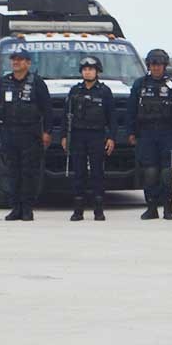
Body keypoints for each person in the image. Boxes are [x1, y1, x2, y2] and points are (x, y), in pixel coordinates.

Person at [0, 48, 53, 221]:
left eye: (20, 59)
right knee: (12, 172)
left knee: (28, 172)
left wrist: (47, 132)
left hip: (30, 134)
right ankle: (15, 208)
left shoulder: (37, 83)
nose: (15, 62)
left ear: (28, 63)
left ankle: (27, 208)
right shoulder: (4, 82)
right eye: (13, 59)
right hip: (8, 133)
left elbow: (47, 109)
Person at [127, 49, 172, 220]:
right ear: (148, 66)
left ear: (164, 66)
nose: (156, 68)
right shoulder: (140, 84)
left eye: (159, 65)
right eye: (153, 65)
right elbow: (131, 110)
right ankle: (151, 208)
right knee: (150, 172)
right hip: (146, 133)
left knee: (167, 172)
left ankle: (168, 208)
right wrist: (131, 132)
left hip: (168, 133)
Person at [61, 56, 116, 222]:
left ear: (97, 71)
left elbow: (112, 117)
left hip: (97, 136)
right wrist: (64, 136)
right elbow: (66, 115)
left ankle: (98, 210)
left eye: (91, 69)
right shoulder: (75, 91)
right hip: (78, 136)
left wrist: (111, 138)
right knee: (79, 173)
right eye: (85, 69)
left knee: (97, 173)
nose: (87, 72)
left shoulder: (104, 91)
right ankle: (78, 211)